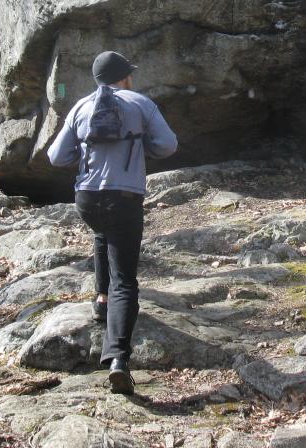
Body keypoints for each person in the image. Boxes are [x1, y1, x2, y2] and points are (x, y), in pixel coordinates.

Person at [47, 50, 177, 394]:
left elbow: (56, 156)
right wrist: (139, 146)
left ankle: (101, 302)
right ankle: (118, 358)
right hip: (125, 196)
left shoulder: (80, 107)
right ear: (125, 76)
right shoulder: (140, 103)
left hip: (87, 198)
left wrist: (84, 152)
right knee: (126, 280)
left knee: (102, 234)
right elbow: (167, 145)